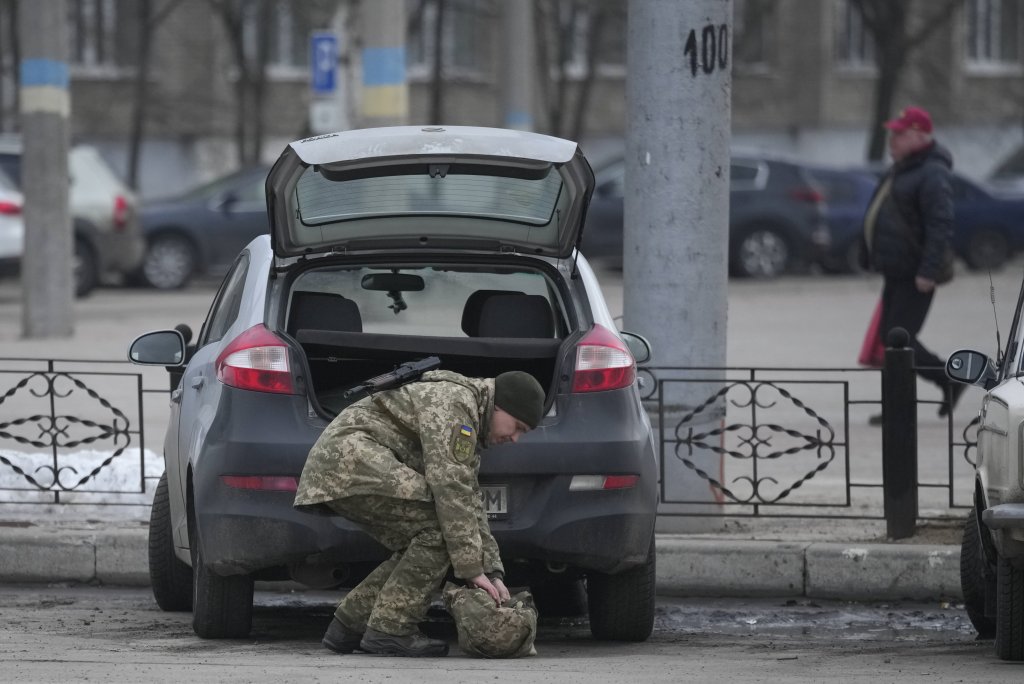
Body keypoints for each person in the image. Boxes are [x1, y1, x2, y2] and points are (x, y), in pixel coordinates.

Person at [293, 368, 546, 657]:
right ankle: (392, 629)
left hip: (345, 466)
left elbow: (469, 498)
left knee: (424, 542)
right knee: (439, 533)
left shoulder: (470, 416)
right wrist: (472, 571)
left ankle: (349, 625)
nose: (515, 438)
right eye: (517, 427)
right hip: (350, 462)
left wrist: (492, 571)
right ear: (500, 407)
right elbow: (450, 489)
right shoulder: (456, 404)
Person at [861, 106, 963, 423]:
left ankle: (944, 380)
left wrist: (928, 271)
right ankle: (901, 406)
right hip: (897, 271)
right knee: (893, 340)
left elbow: (940, 225)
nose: (892, 141)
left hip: (915, 274)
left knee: (898, 339)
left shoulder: (932, 173)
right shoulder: (903, 169)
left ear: (920, 135)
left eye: (899, 134)